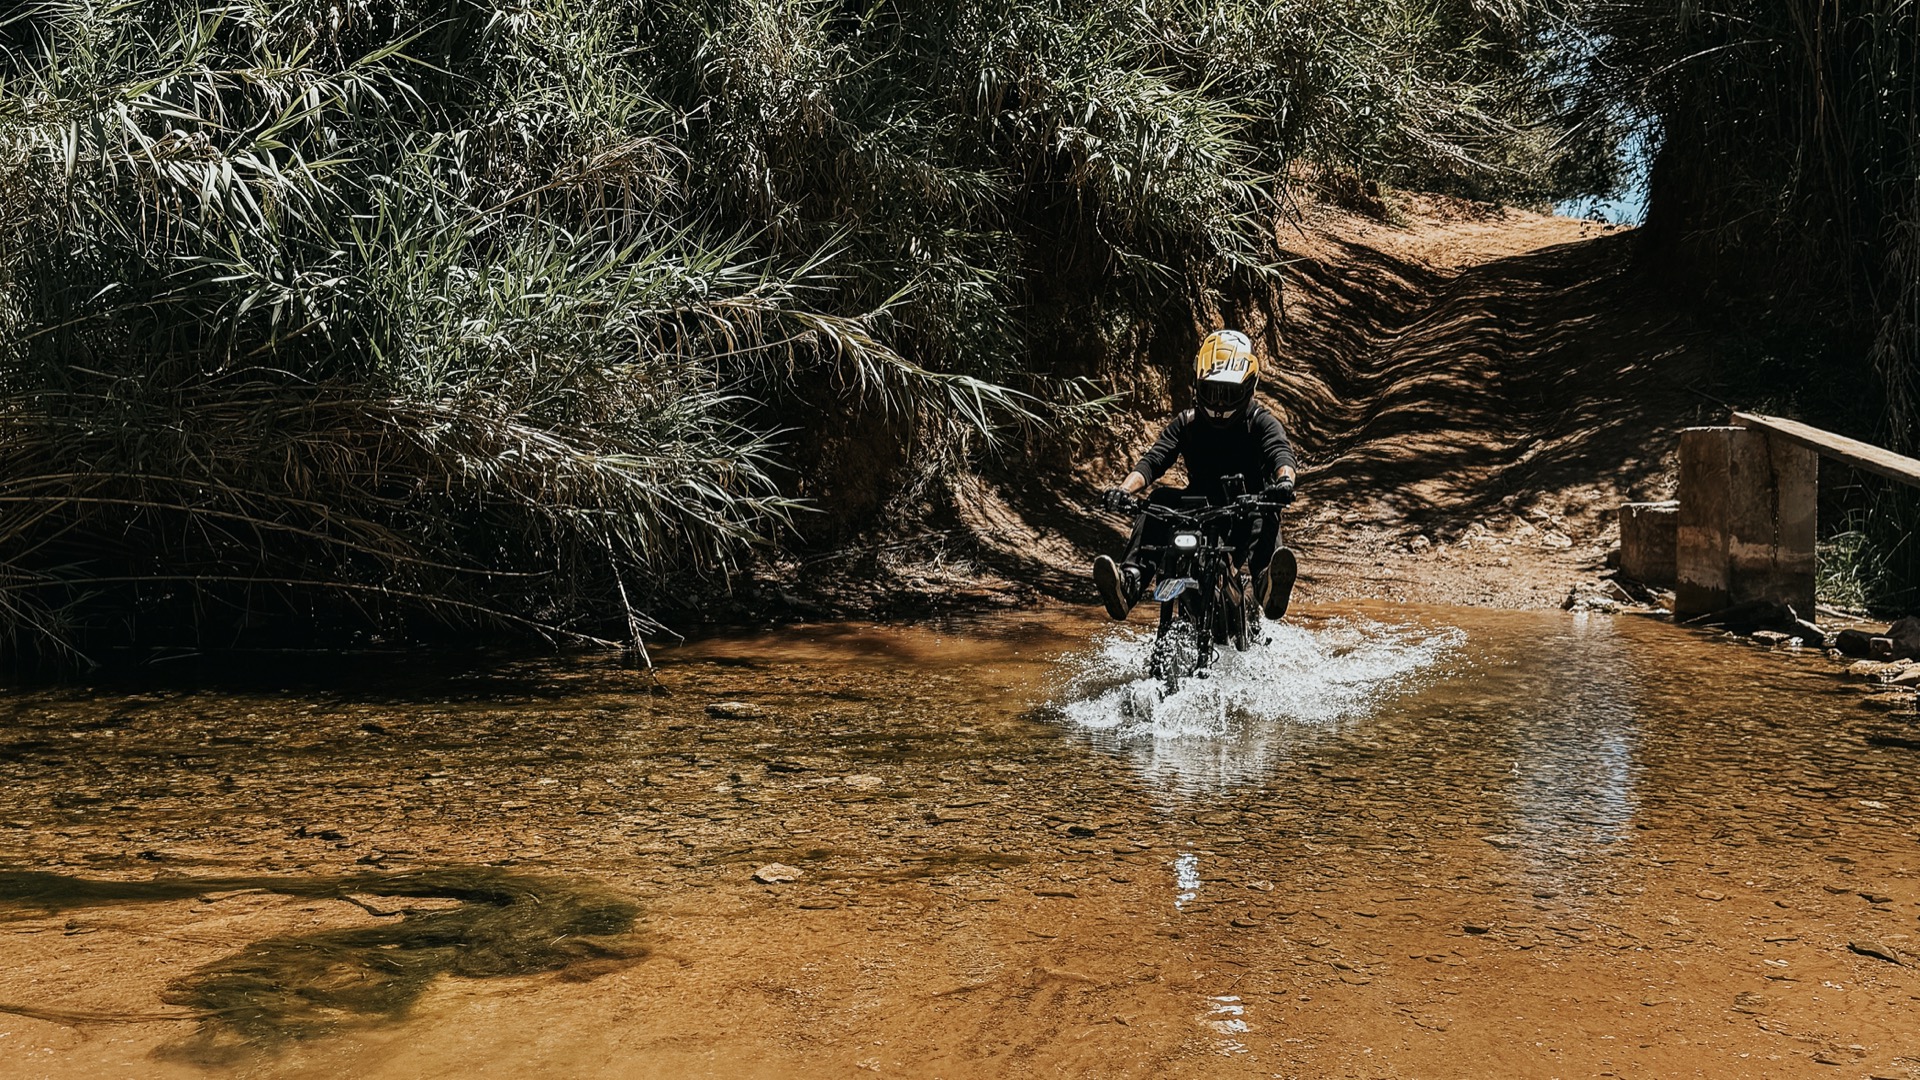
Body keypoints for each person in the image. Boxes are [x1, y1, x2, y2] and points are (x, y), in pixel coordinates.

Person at [1092, 329, 1299, 621]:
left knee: (1266, 511)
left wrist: (1284, 483)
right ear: (1197, 386)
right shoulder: (1187, 423)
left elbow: (1281, 454)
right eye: (1211, 391)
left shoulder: (1260, 422)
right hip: (1194, 513)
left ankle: (1267, 584)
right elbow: (1153, 461)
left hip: (1243, 514)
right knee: (1158, 500)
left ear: (1248, 387)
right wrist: (1124, 491)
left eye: (1229, 393)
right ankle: (1130, 582)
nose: (1219, 402)